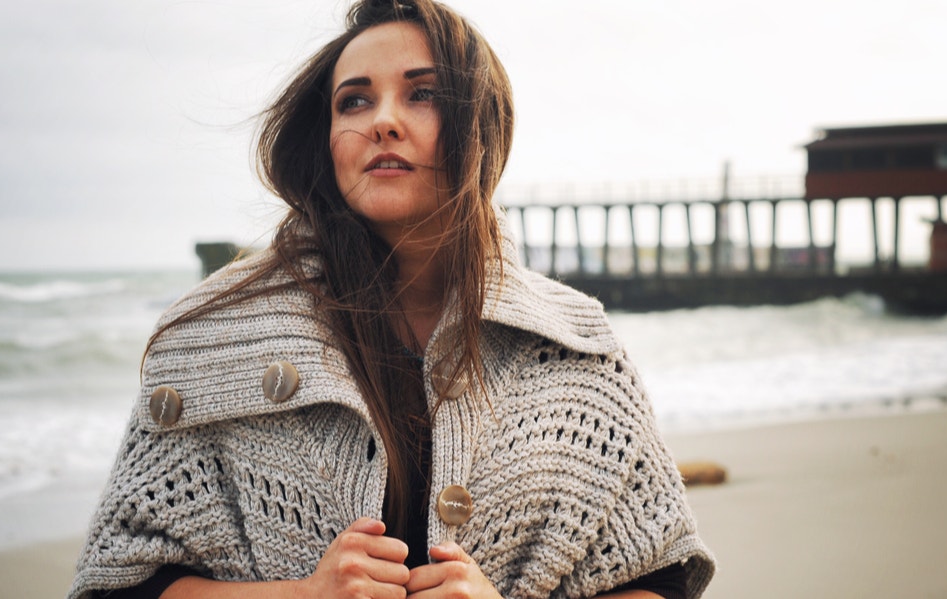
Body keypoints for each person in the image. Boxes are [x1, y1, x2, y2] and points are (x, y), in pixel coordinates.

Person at [68, 1, 715, 597]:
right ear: (324, 140)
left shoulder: (576, 348)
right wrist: (301, 595)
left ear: (478, 127)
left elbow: (657, 576)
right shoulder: (211, 336)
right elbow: (123, 582)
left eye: (422, 93)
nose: (381, 120)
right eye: (353, 102)